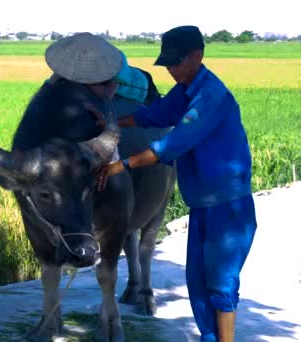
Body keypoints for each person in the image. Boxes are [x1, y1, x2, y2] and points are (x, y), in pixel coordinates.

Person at [96, 25, 258, 342]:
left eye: (175, 62)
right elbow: (155, 114)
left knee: (221, 284)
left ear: (197, 56)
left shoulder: (210, 97)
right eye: (167, 63)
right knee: (197, 284)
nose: (170, 69)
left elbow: (170, 146)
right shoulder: (185, 92)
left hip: (227, 207)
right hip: (201, 204)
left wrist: (121, 165)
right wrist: (112, 122)